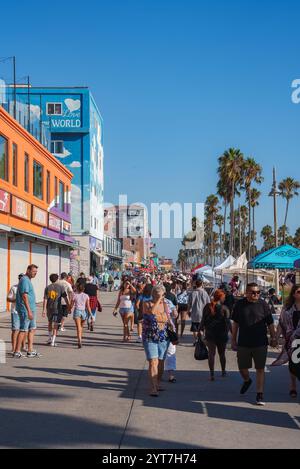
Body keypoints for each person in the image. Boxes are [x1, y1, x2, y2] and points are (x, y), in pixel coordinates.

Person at [231, 283, 277, 406]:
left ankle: (259, 394)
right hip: (244, 342)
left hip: (260, 342)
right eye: (253, 292)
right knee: (242, 368)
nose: (256, 294)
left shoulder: (263, 304)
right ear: (246, 292)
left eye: (258, 292)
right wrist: (233, 340)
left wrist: (273, 337)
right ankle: (247, 380)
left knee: (260, 368)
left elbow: (270, 323)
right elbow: (235, 324)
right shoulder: (239, 305)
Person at [272, 284, 300, 398]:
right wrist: (276, 338)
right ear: (294, 294)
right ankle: (293, 385)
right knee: (293, 364)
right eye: (299, 292)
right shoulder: (287, 309)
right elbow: (281, 324)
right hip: (292, 341)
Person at [142, 285, 171, 396]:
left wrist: (162, 317)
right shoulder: (146, 303)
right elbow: (152, 314)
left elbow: (167, 319)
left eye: (162, 295)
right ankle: (153, 387)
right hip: (149, 336)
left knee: (160, 361)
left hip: (163, 336)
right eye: (159, 295)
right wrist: (158, 301)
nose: (162, 297)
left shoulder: (165, 304)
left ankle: (158, 383)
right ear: (153, 294)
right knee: (153, 362)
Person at [199, 289, 230, 381]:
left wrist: (200, 330)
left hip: (210, 333)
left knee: (211, 354)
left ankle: (212, 374)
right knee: (222, 354)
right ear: (221, 297)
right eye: (224, 297)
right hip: (222, 334)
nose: (224, 299)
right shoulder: (224, 308)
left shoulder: (207, 306)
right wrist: (233, 333)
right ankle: (223, 371)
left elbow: (203, 320)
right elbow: (228, 322)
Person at [14, 265, 39, 358]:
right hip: (26, 309)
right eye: (33, 271)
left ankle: (30, 350)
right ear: (28, 270)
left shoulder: (28, 280)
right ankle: (17, 351)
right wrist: (29, 311)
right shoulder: (24, 280)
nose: (35, 273)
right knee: (23, 329)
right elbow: (24, 296)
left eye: (36, 272)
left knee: (32, 329)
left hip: (31, 309)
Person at [42, 274, 69, 347]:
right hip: (57, 309)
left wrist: (44, 310)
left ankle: (49, 338)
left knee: (50, 323)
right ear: (57, 279)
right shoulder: (61, 287)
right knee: (56, 324)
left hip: (49, 308)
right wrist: (68, 306)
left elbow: (45, 299)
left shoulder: (47, 287)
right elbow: (65, 298)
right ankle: (53, 341)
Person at [188, 279, 210, 345]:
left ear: (196, 284)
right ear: (202, 284)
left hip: (194, 313)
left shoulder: (192, 293)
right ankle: (201, 340)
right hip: (203, 313)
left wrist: (188, 311)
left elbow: (189, 303)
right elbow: (208, 303)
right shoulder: (205, 293)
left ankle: (196, 340)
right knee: (202, 328)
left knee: (194, 328)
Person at [7, 274, 24, 354]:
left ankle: (22, 347)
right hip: (15, 312)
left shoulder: (27, 287)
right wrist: (16, 299)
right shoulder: (14, 287)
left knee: (23, 330)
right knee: (15, 330)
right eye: (20, 279)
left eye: (22, 279)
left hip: (24, 312)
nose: (21, 280)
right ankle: (13, 349)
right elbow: (8, 298)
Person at [71, 282, 91, 348]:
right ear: (83, 289)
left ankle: (79, 340)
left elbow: (71, 305)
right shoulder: (86, 295)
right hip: (83, 312)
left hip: (77, 311)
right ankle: (80, 339)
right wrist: (91, 314)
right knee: (81, 327)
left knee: (78, 327)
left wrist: (69, 310)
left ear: (77, 288)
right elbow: (88, 306)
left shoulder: (74, 295)